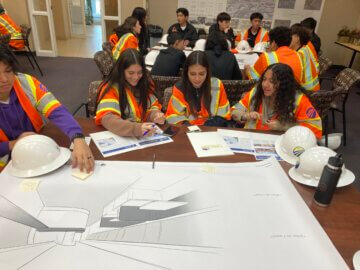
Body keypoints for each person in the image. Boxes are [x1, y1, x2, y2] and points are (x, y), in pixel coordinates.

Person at [0, 44, 94, 172]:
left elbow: (56, 110)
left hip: (36, 152)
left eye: (8, 71)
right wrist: (11, 145)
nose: (5, 79)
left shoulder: (26, 83)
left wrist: (78, 137)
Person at [231, 63, 322, 139]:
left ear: (283, 84)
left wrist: (284, 126)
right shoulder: (256, 92)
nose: (265, 85)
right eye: (264, 79)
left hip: (281, 146)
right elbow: (234, 111)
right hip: (251, 140)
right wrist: (244, 116)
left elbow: (316, 130)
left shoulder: (298, 100)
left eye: (272, 81)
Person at [95, 48, 165, 137]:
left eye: (140, 72)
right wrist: (135, 129)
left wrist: (155, 115)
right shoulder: (112, 88)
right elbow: (107, 118)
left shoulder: (145, 82)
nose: (136, 77)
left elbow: (150, 107)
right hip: (120, 136)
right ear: (121, 70)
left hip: (143, 135)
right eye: (131, 73)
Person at [165, 51, 231, 126]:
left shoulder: (217, 85)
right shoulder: (179, 88)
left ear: (207, 71)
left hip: (212, 130)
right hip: (188, 132)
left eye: (202, 74)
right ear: (186, 72)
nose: (197, 79)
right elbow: (173, 117)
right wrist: (190, 127)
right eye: (192, 74)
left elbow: (224, 115)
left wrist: (207, 126)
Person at [290, 24, 320, 91]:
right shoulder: (303, 48)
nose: (288, 38)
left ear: (297, 38)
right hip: (310, 87)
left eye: (290, 36)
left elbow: (293, 76)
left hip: (307, 91)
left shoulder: (300, 54)